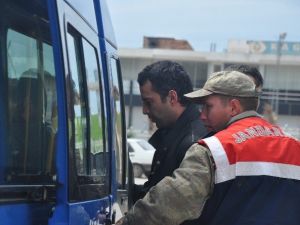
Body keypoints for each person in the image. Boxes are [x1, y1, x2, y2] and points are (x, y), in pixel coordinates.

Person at [117, 71, 300, 225]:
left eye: (207, 106)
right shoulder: (294, 146)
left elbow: (166, 204)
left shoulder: (215, 149)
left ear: (234, 107)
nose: (202, 115)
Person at [132, 60, 207, 203]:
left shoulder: (193, 144)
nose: (144, 110)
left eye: (149, 102)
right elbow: (154, 191)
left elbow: (170, 205)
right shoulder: (172, 135)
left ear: (172, 97)